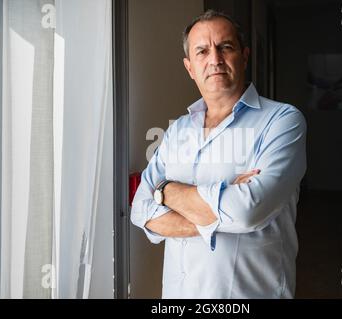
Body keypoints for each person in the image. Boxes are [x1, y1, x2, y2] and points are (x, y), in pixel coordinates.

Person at [131, 9, 307, 299]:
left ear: (245, 56)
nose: (214, 59)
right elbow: (140, 210)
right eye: (202, 51)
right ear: (190, 67)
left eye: (225, 47)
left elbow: (248, 210)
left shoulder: (282, 121)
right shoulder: (177, 131)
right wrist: (220, 211)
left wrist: (165, 190)